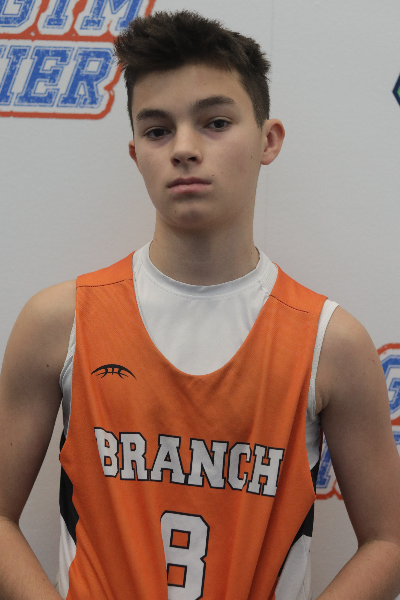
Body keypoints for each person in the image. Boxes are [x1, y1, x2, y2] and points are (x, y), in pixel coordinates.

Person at [1, 9, 400, 600]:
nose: (184, 149)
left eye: (215, 122)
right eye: (157, 130)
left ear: (268, 140)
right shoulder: (60, 323)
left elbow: (388, 541)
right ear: (135, 152)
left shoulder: (329, 343)